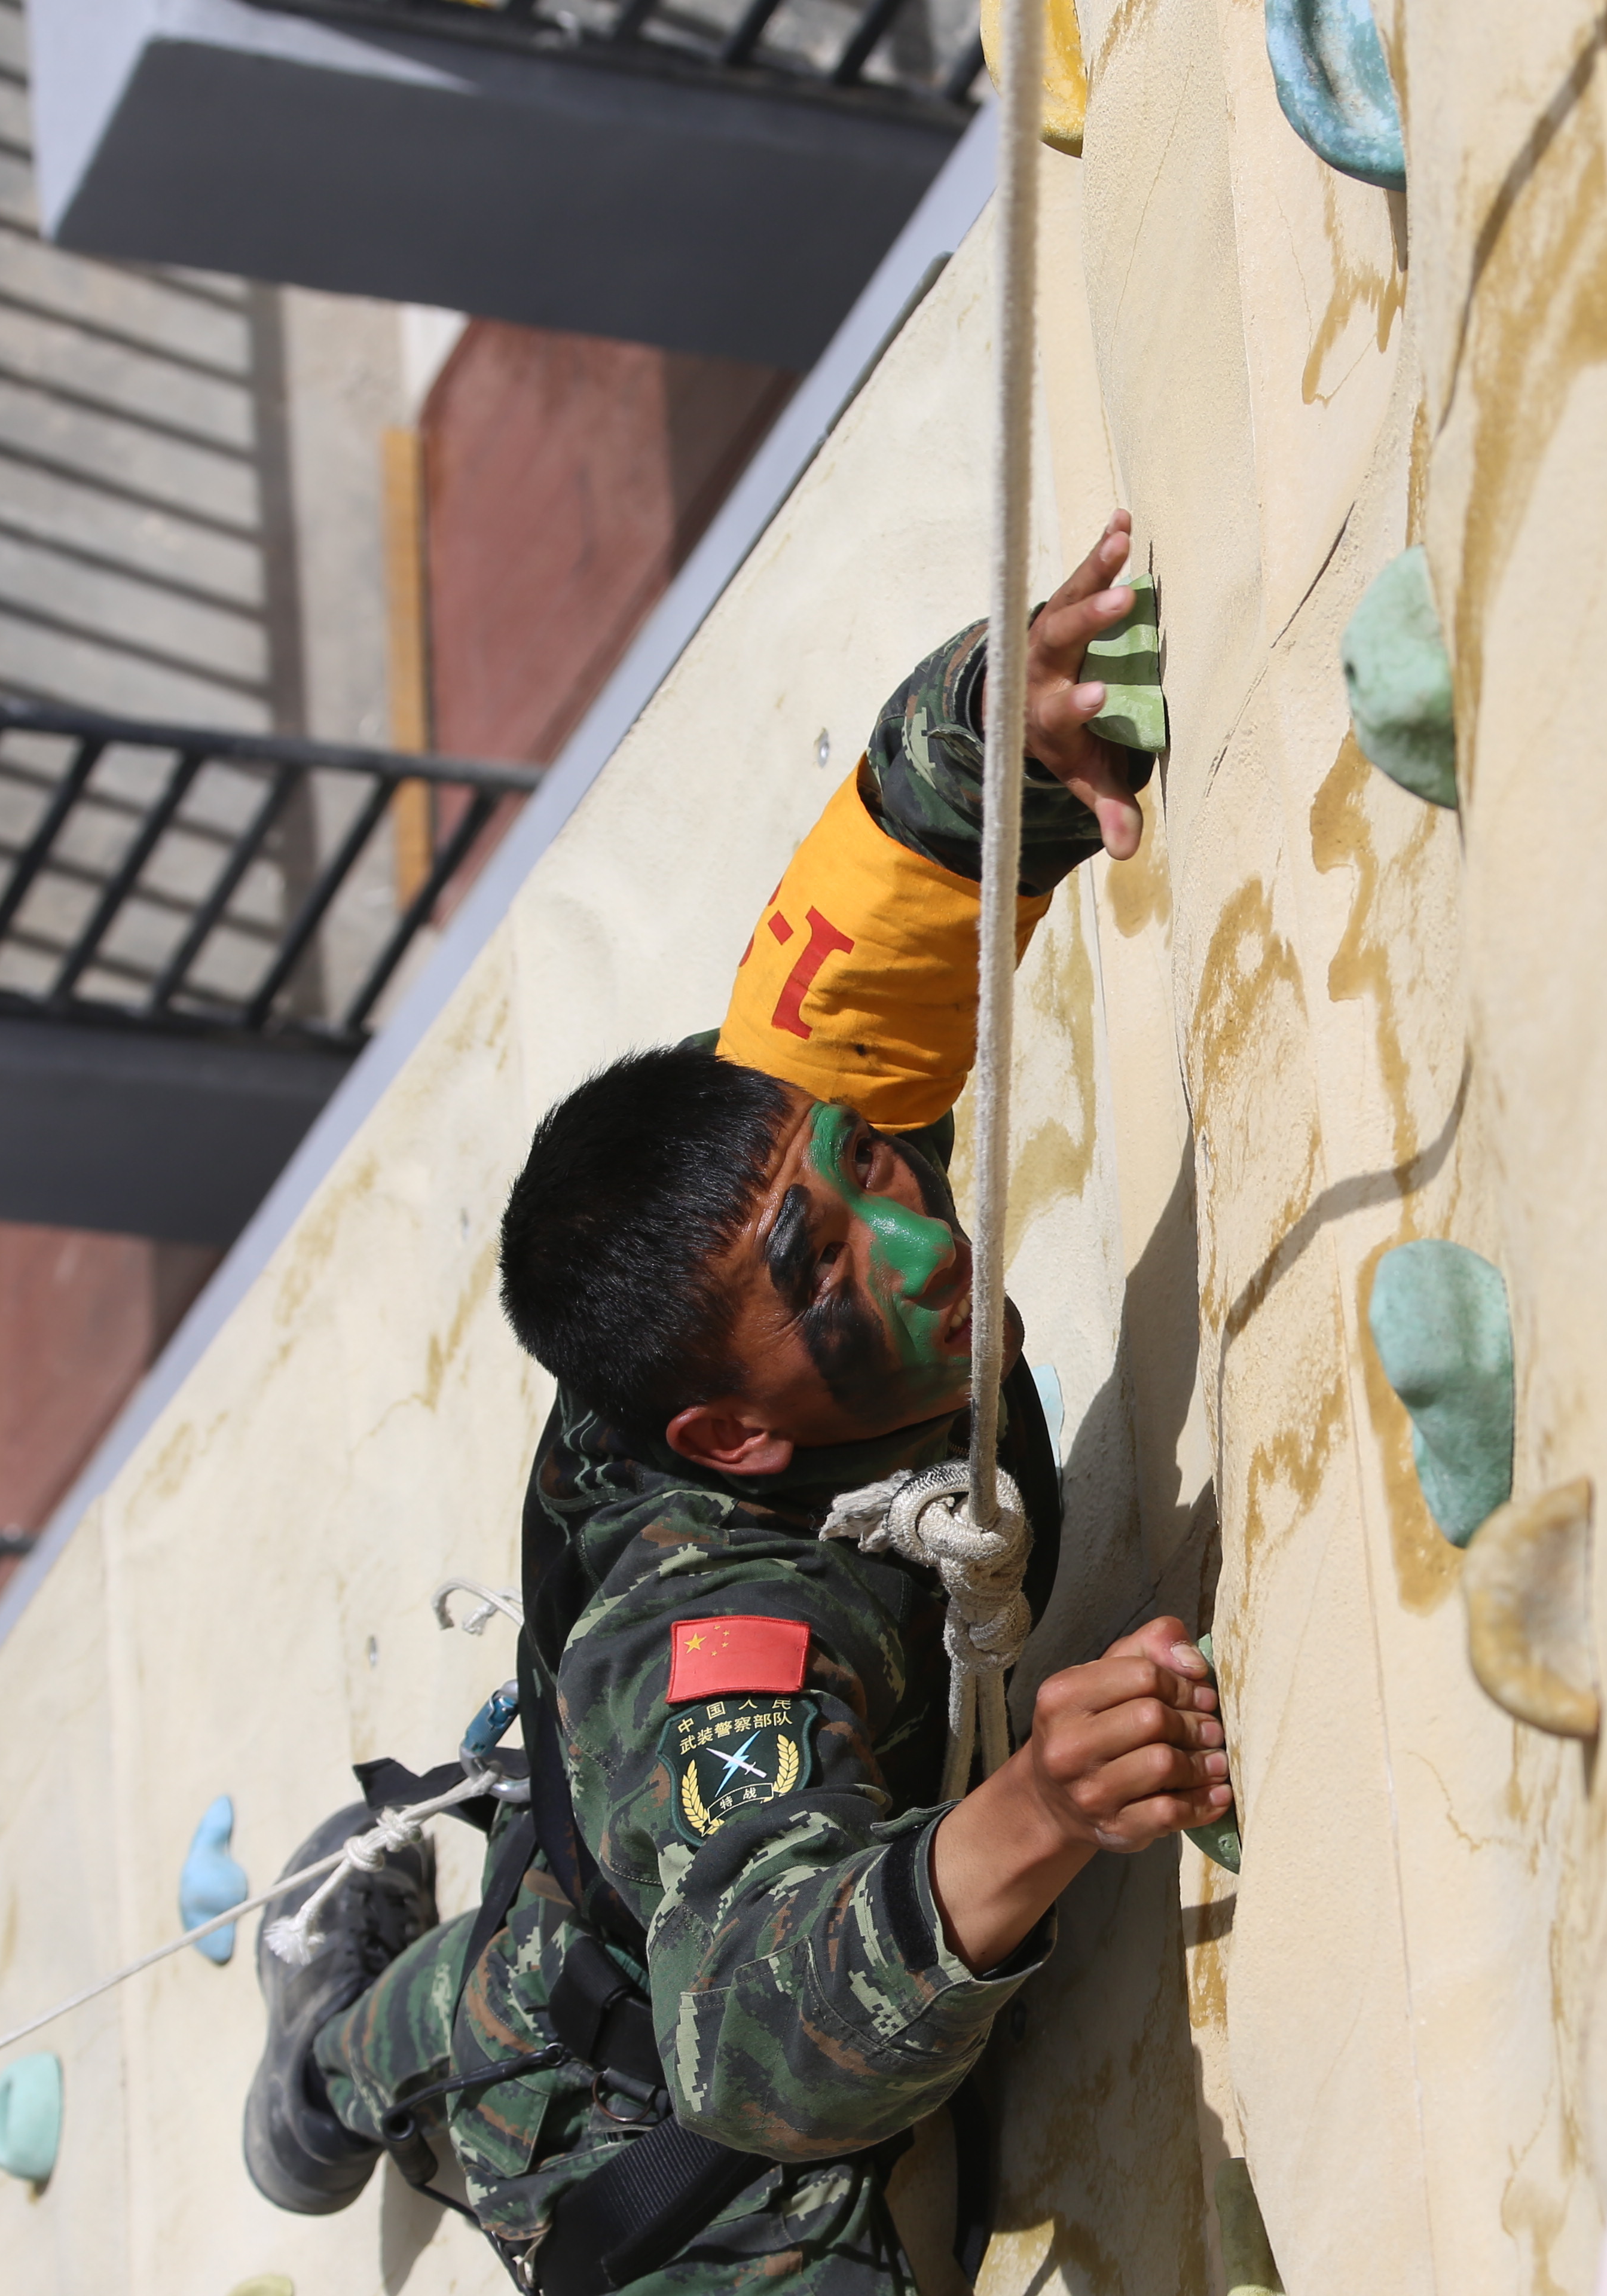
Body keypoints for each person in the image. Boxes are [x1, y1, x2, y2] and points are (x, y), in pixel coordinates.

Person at [240, 514, 1218, 2294]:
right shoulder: (726, 1645)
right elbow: (750, 2044)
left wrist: (1007, 727)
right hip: (627, 2104)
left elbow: (877, 905)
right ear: (733, 1440)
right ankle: (318, 2066)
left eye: (876, 1173)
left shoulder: (791, 1163)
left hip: (620, 1860)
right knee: (538, 2044)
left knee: (535, 1934)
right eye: (834, 1285)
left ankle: (349, 2044)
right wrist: (1037, 1816)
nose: (915, 1241)